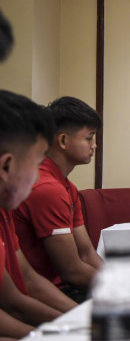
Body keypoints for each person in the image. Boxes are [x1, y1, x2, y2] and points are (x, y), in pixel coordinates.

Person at [14, 96, 103, 303]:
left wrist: (122, 284)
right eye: (89, 138)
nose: (94, 145)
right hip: (43, 294)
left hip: (63, 288)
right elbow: (72, 270)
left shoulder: (67, 187)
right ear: (63, 141)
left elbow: (87, 254)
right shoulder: (47, 188)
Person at [0, 91, 74, 338]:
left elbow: (19, 290)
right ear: (6, 166)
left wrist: (81, 324)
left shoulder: (5, 209)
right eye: (36, 164)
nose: (37, 177)